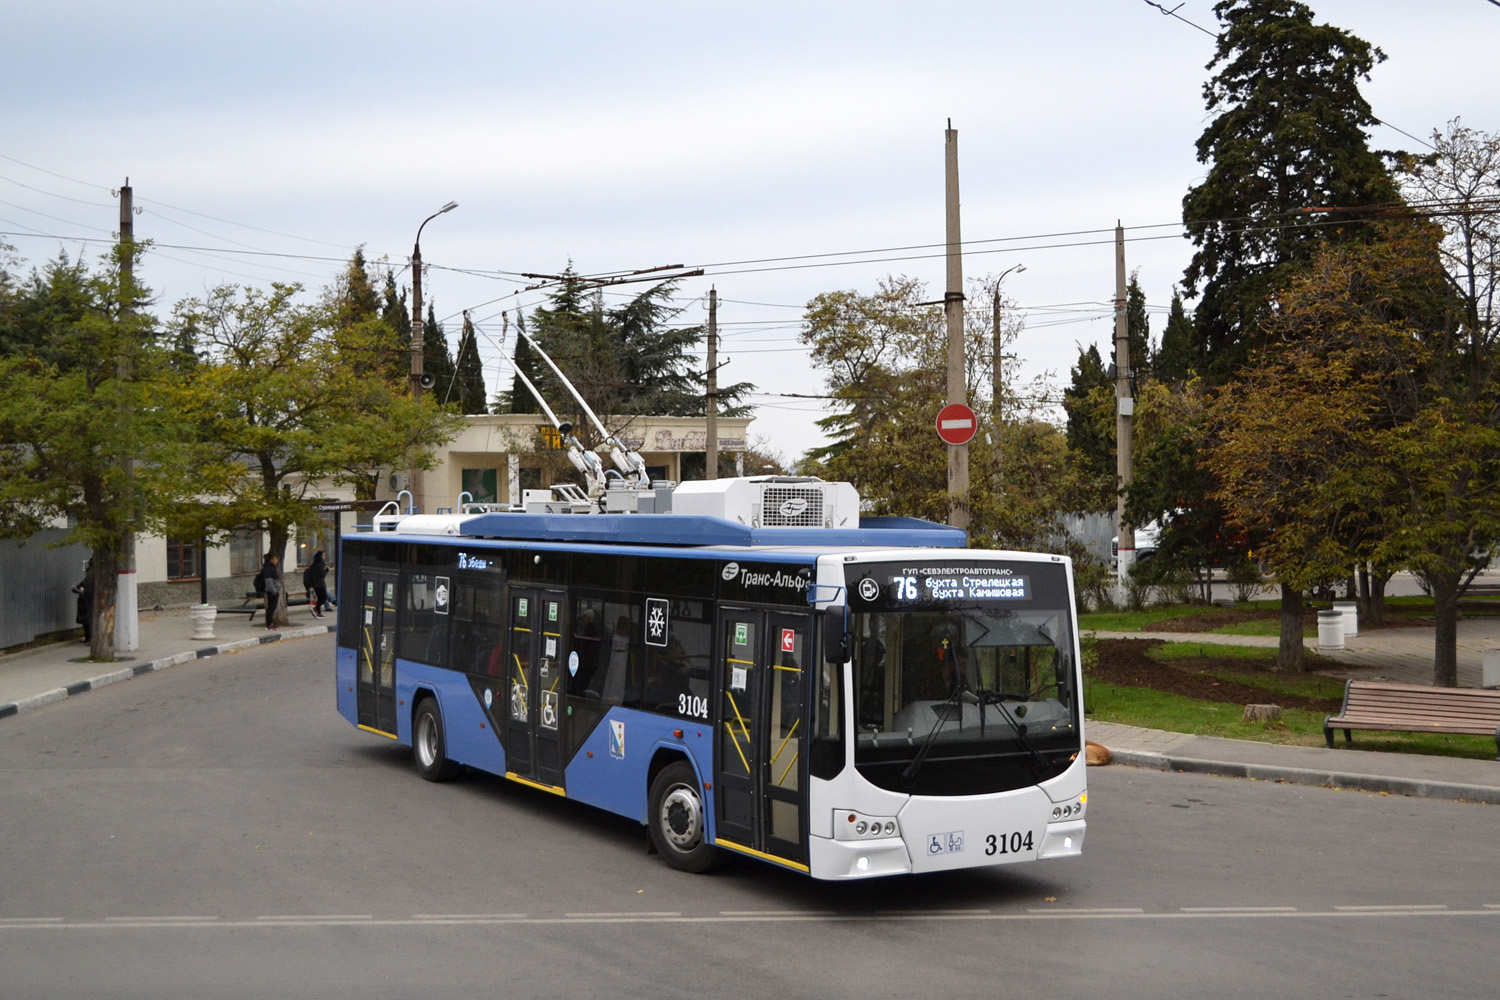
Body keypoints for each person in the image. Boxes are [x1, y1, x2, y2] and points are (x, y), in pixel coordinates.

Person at [255, 553, 285, 631]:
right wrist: (274, 591)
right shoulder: (268, 568)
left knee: (272, 608)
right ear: (271, 560)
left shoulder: (272, 567)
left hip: (273, 590)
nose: (277, 561)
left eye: (277, 559)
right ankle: (269, 624)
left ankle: (270, 623)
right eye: (275, 559)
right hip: (271, 591)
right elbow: (268, 581)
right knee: (271, 608)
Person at [302, 550, 331, 618]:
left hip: (315, 584)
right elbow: (322, 574)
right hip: (320, 584)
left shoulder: (314, 564)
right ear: (320, 556)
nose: (324, 557)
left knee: (320, 598)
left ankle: (319, 612)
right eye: (323, 555)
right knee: (324, 598)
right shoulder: (321, 563)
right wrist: (326, 570)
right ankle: (316, 608)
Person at [72, 560, 94, 644]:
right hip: (86, 602)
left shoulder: (90, 576)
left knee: (88, 621)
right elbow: (80, 586)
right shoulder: (90, 577)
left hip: (86, 602)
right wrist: (77, 589)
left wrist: (79, 590)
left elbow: (82, 587)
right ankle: (89, 637)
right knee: (87, 621)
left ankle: (89, 637)